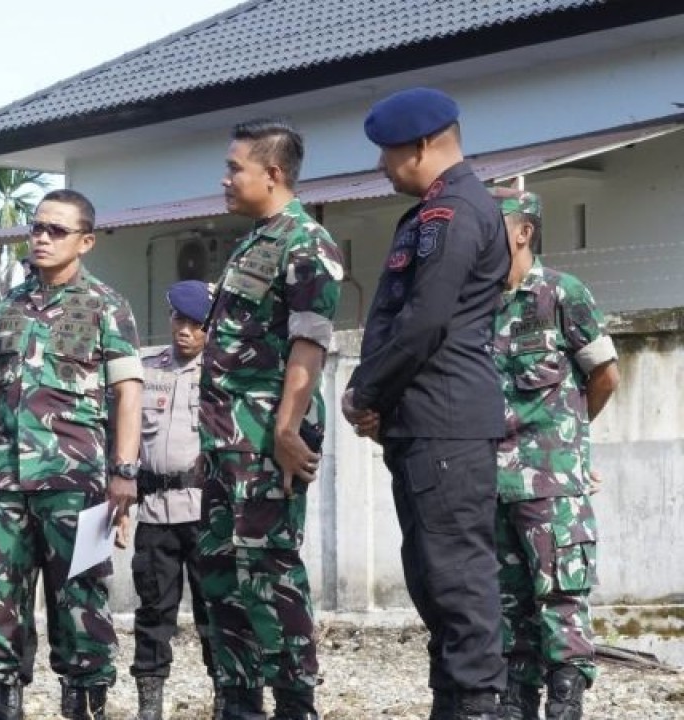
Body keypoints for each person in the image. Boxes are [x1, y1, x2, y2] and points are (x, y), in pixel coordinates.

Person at [0, 188, 143, 720]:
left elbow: (129, 393)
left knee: (83, 601)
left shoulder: (108, 306)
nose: (43, 237)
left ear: (85, 241)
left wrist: (124, 473)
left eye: (57, 230)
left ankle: (85, 705)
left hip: (81, 481)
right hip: (4, 479)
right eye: (37, 227)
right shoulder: (8, 307)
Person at [343, 88, 510, 720]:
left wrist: (366, 391)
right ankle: (455, 703)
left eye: (388, 153)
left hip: (445, 422)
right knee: (433, 582)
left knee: (458, 581)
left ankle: (476, 707)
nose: (383, 167)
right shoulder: (432, 212)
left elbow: (424, 320)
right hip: (423, 425)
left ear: (421, 146)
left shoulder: (456, 211)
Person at [197, 118, 342, 720]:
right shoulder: (255, 241)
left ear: (273, 173)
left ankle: (293, 700)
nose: (225, 178)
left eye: (235, 168)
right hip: (225, 436)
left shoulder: (306, 244)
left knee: (268, 564)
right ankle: (237, 697)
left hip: (265, 436)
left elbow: (310, 344)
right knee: (221, 565)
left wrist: (286, 429)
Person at [488, 188, 619, 720]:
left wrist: (568, 440)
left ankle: (565, 706)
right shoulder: (474, 306)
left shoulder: (563, 294)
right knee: (506, 609)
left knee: (562, 601)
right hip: (491, 487)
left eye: (491, 226)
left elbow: (606, 376)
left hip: (552, 484)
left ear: (523, 231)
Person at [130, 280, 219, 720]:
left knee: (215, 612)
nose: (183, 330)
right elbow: (123, 436)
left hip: (206, 515)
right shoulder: (147, 371)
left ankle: (227, 698)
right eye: (178, 319)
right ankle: (150, 707)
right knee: (152, 614)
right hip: (153, 513)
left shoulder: (222, 372)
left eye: (195, 323)